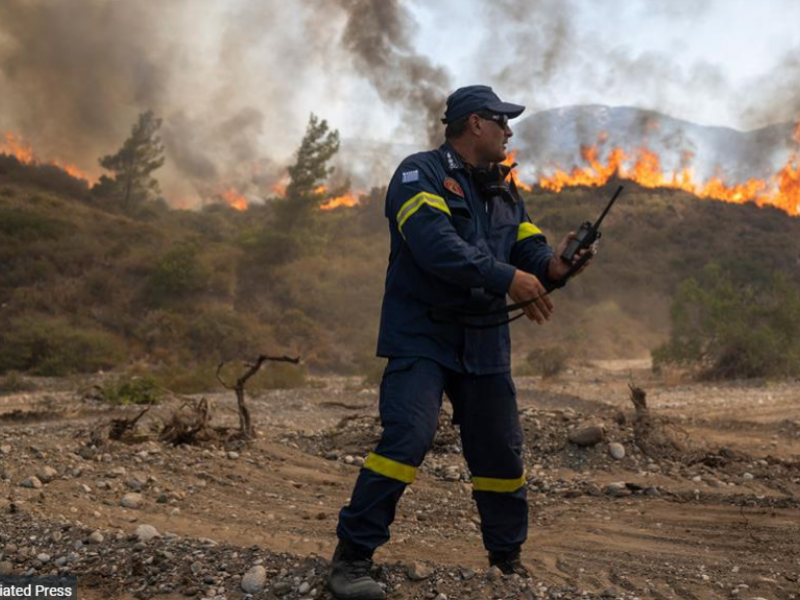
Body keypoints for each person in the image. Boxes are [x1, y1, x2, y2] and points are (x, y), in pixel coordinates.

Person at [328, 85, 595, 600]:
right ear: (475, 123)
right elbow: (435, 247)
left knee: (501, 454)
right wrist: (506, 278)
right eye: (502, 121)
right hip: (422, 336)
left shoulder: (504, 190)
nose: (509, 131)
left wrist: (558, 266)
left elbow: (530, 248)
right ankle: (351, 560)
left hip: (485, 343)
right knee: (406, 438)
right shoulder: (418, 174)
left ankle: (506, 562)